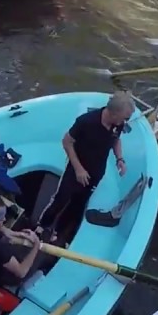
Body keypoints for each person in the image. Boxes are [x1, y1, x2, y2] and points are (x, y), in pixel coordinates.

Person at [34, 92, 132, 242]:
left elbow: (116, 140)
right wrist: (79, 169)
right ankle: (43, 225)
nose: (126, 121)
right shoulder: (86, 122)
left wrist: (120, 159)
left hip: (96, 170)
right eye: (125, 117)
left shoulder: (118, 124)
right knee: (61, 198)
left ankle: (61, 230)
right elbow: (67, 142)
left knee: (79, 202)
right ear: (114, 113)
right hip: (76, 168)